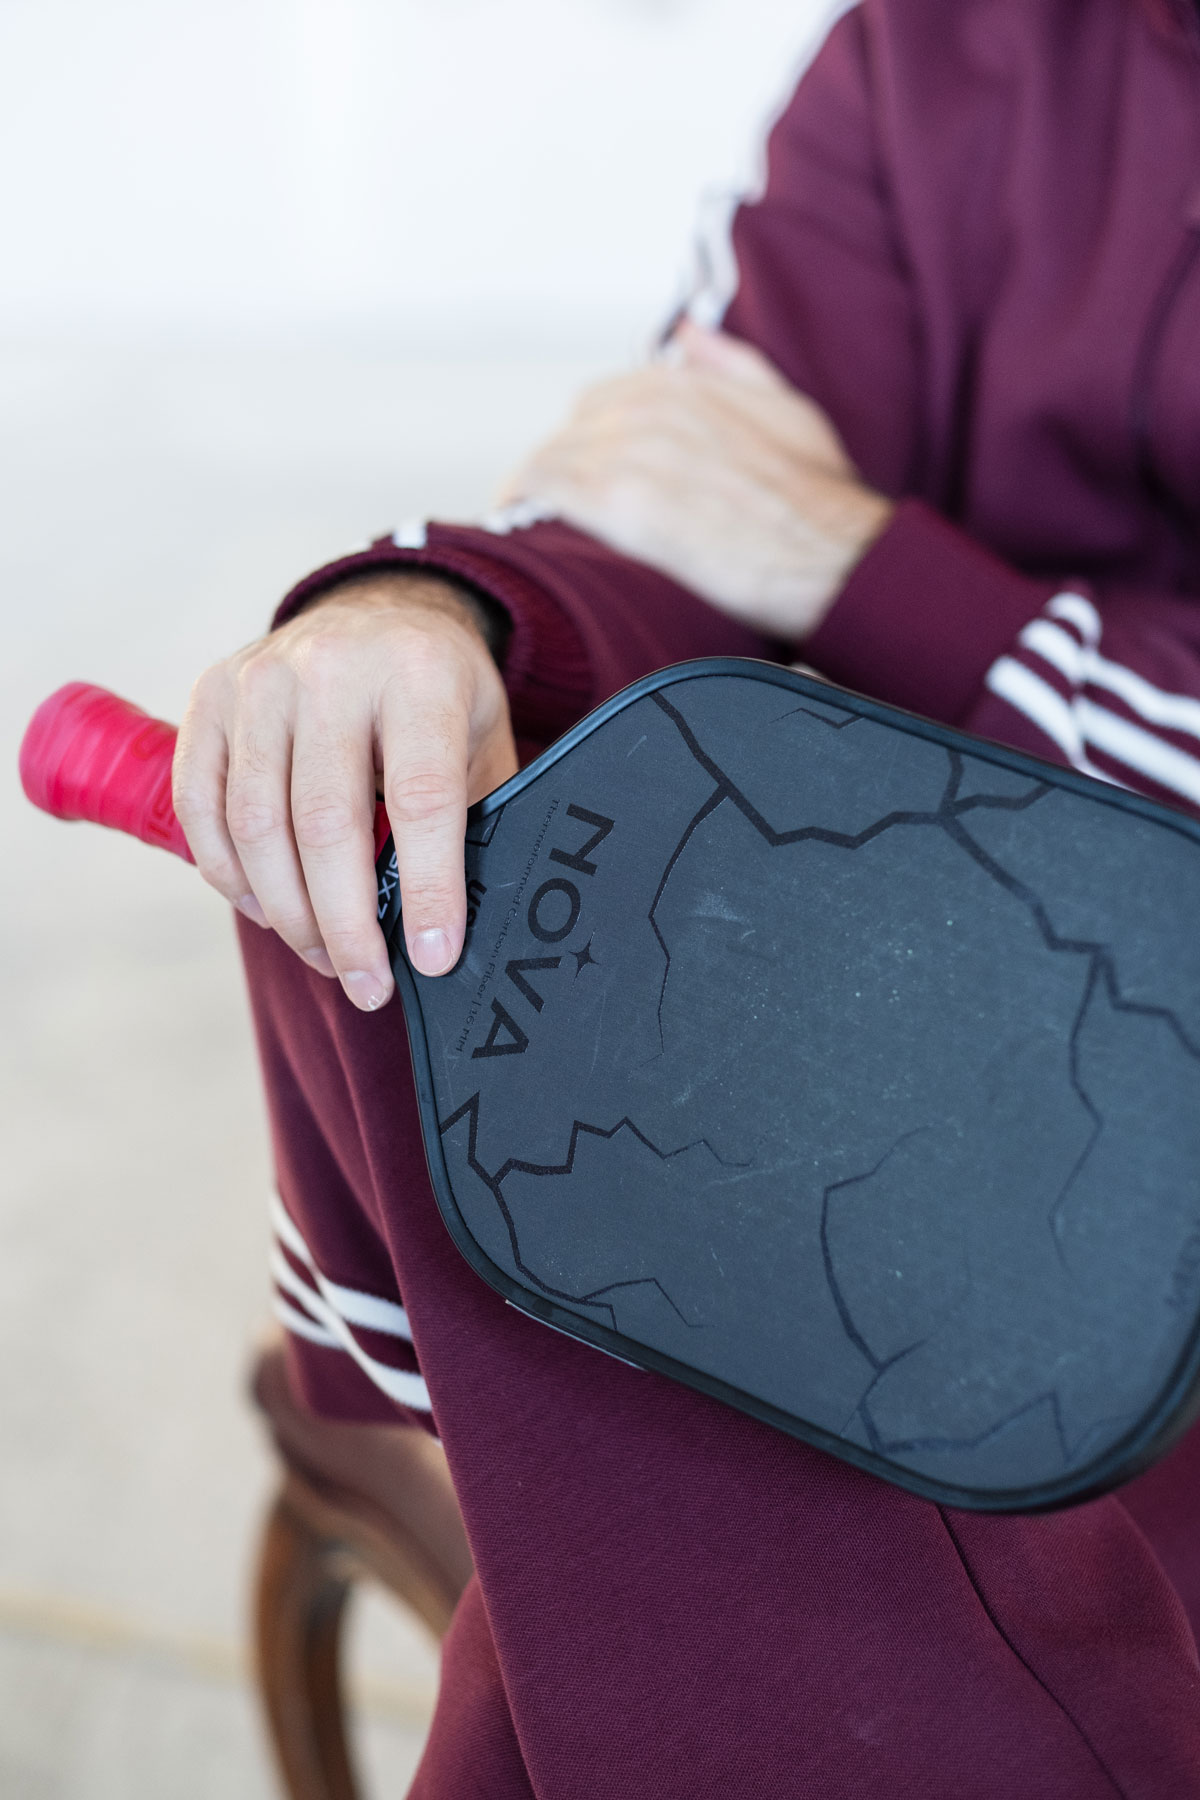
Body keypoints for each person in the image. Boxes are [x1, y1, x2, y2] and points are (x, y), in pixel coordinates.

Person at [173, 0, 1200, 1791]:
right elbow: (670, 487)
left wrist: (872, 573)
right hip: (948, 1007)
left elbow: (776, 521)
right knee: (428, 824)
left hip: (1068, 1103)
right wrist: (440, 618)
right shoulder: (930, 47)